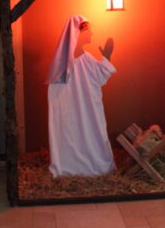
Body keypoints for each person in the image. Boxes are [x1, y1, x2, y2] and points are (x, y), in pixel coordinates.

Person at [46, 15, 116, 177]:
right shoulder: (60, 65)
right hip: (69, 112)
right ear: (77, 33)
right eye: (88, 31)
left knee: (92, 132)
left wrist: (106, 57)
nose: (92, 34)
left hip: (88, 109)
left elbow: (100, 76)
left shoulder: (87, 58)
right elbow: (57, 93)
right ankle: (70, 164)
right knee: (70, 133)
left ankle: (92, 163)